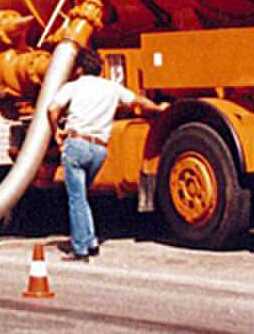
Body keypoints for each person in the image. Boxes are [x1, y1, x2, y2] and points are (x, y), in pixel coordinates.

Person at [46, 48, 167, 261]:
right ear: (101, 69)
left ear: (80, 68)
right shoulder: (112, 88)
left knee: (77, 199)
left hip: (77, 144)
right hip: (99, 150)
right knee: (82, 197)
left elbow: (52, 109)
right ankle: (91, 241)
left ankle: (81, 249)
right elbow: (138, 101)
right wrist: (158, 109)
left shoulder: (73, 86)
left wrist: (56, 131)